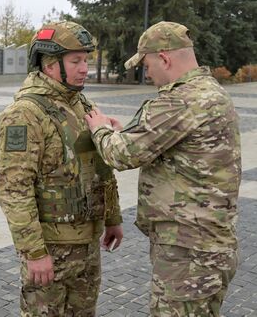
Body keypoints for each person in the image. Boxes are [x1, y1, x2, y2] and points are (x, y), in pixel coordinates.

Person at [84, 21, 241, 316]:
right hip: (211, 246)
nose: (147, 73)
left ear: (165, 58)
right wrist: (124, 131)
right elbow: (168, 143)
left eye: (147, 64)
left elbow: (120, 155)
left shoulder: (180, 100)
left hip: (188, 255)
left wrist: (99, 129)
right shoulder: (211, 92)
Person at [0, 21, 123, 316]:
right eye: (76, 61)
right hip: (51, 248)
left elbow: (101, 165)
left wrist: (112, 216)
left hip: (88, 244)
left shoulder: (81, 103)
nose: (84, 68)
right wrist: (34, 252)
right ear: (51, 64)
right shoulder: (24, 114)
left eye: (86, 60)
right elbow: (14, 189)